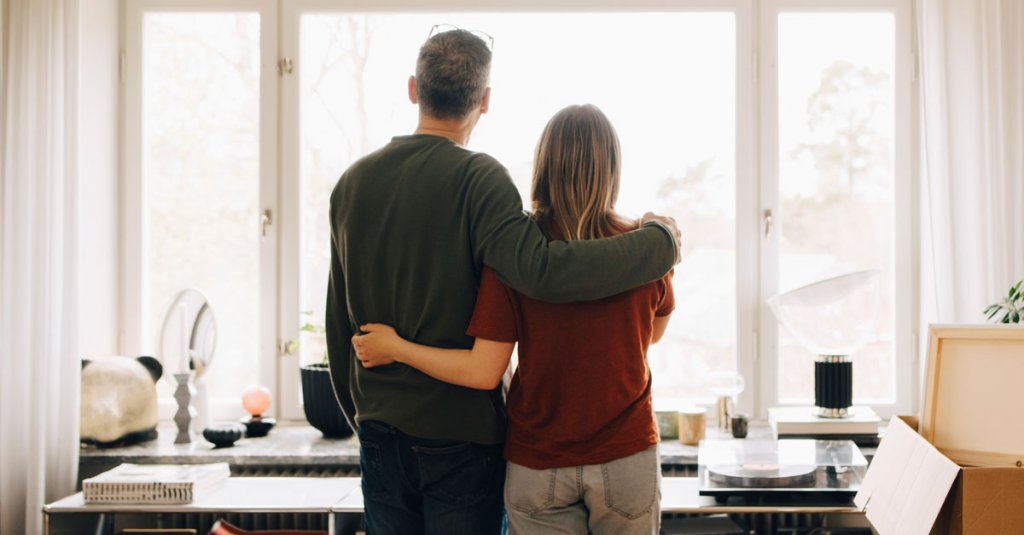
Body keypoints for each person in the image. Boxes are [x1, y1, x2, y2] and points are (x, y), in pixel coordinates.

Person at [325, 27, 680, 535]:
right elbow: (544, 271)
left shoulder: (351, 182)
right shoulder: (480, 179)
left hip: (384, 432)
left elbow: (337, 317)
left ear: (412, 88)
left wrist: (362, 415)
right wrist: (660, 241)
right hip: (464, 436)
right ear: (485, 101)